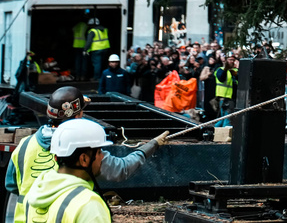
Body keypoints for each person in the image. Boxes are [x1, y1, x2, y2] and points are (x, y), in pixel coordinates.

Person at [5, 87, 167, 223]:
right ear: (76, 116)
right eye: (81, 111)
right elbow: (122, 169)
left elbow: (12, 185)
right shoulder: (83, 151)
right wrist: (151, 145)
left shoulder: (25, 145)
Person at [24, 120, 112, 223]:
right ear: (84, 159)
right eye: (99, 152)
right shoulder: (89, 205)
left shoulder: (34, 194)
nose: (102, 157)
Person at [213, 55, 238, 128]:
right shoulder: (220, 70)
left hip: (232, 98)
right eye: (230, 60)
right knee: (227, 119)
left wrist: (236, 74)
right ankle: (223, 136)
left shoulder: (235, 71)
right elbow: (221, 78)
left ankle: (212, 131)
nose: (232, 62)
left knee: (224, 118)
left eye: (233, 60)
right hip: (224, 98)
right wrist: (225, 70)